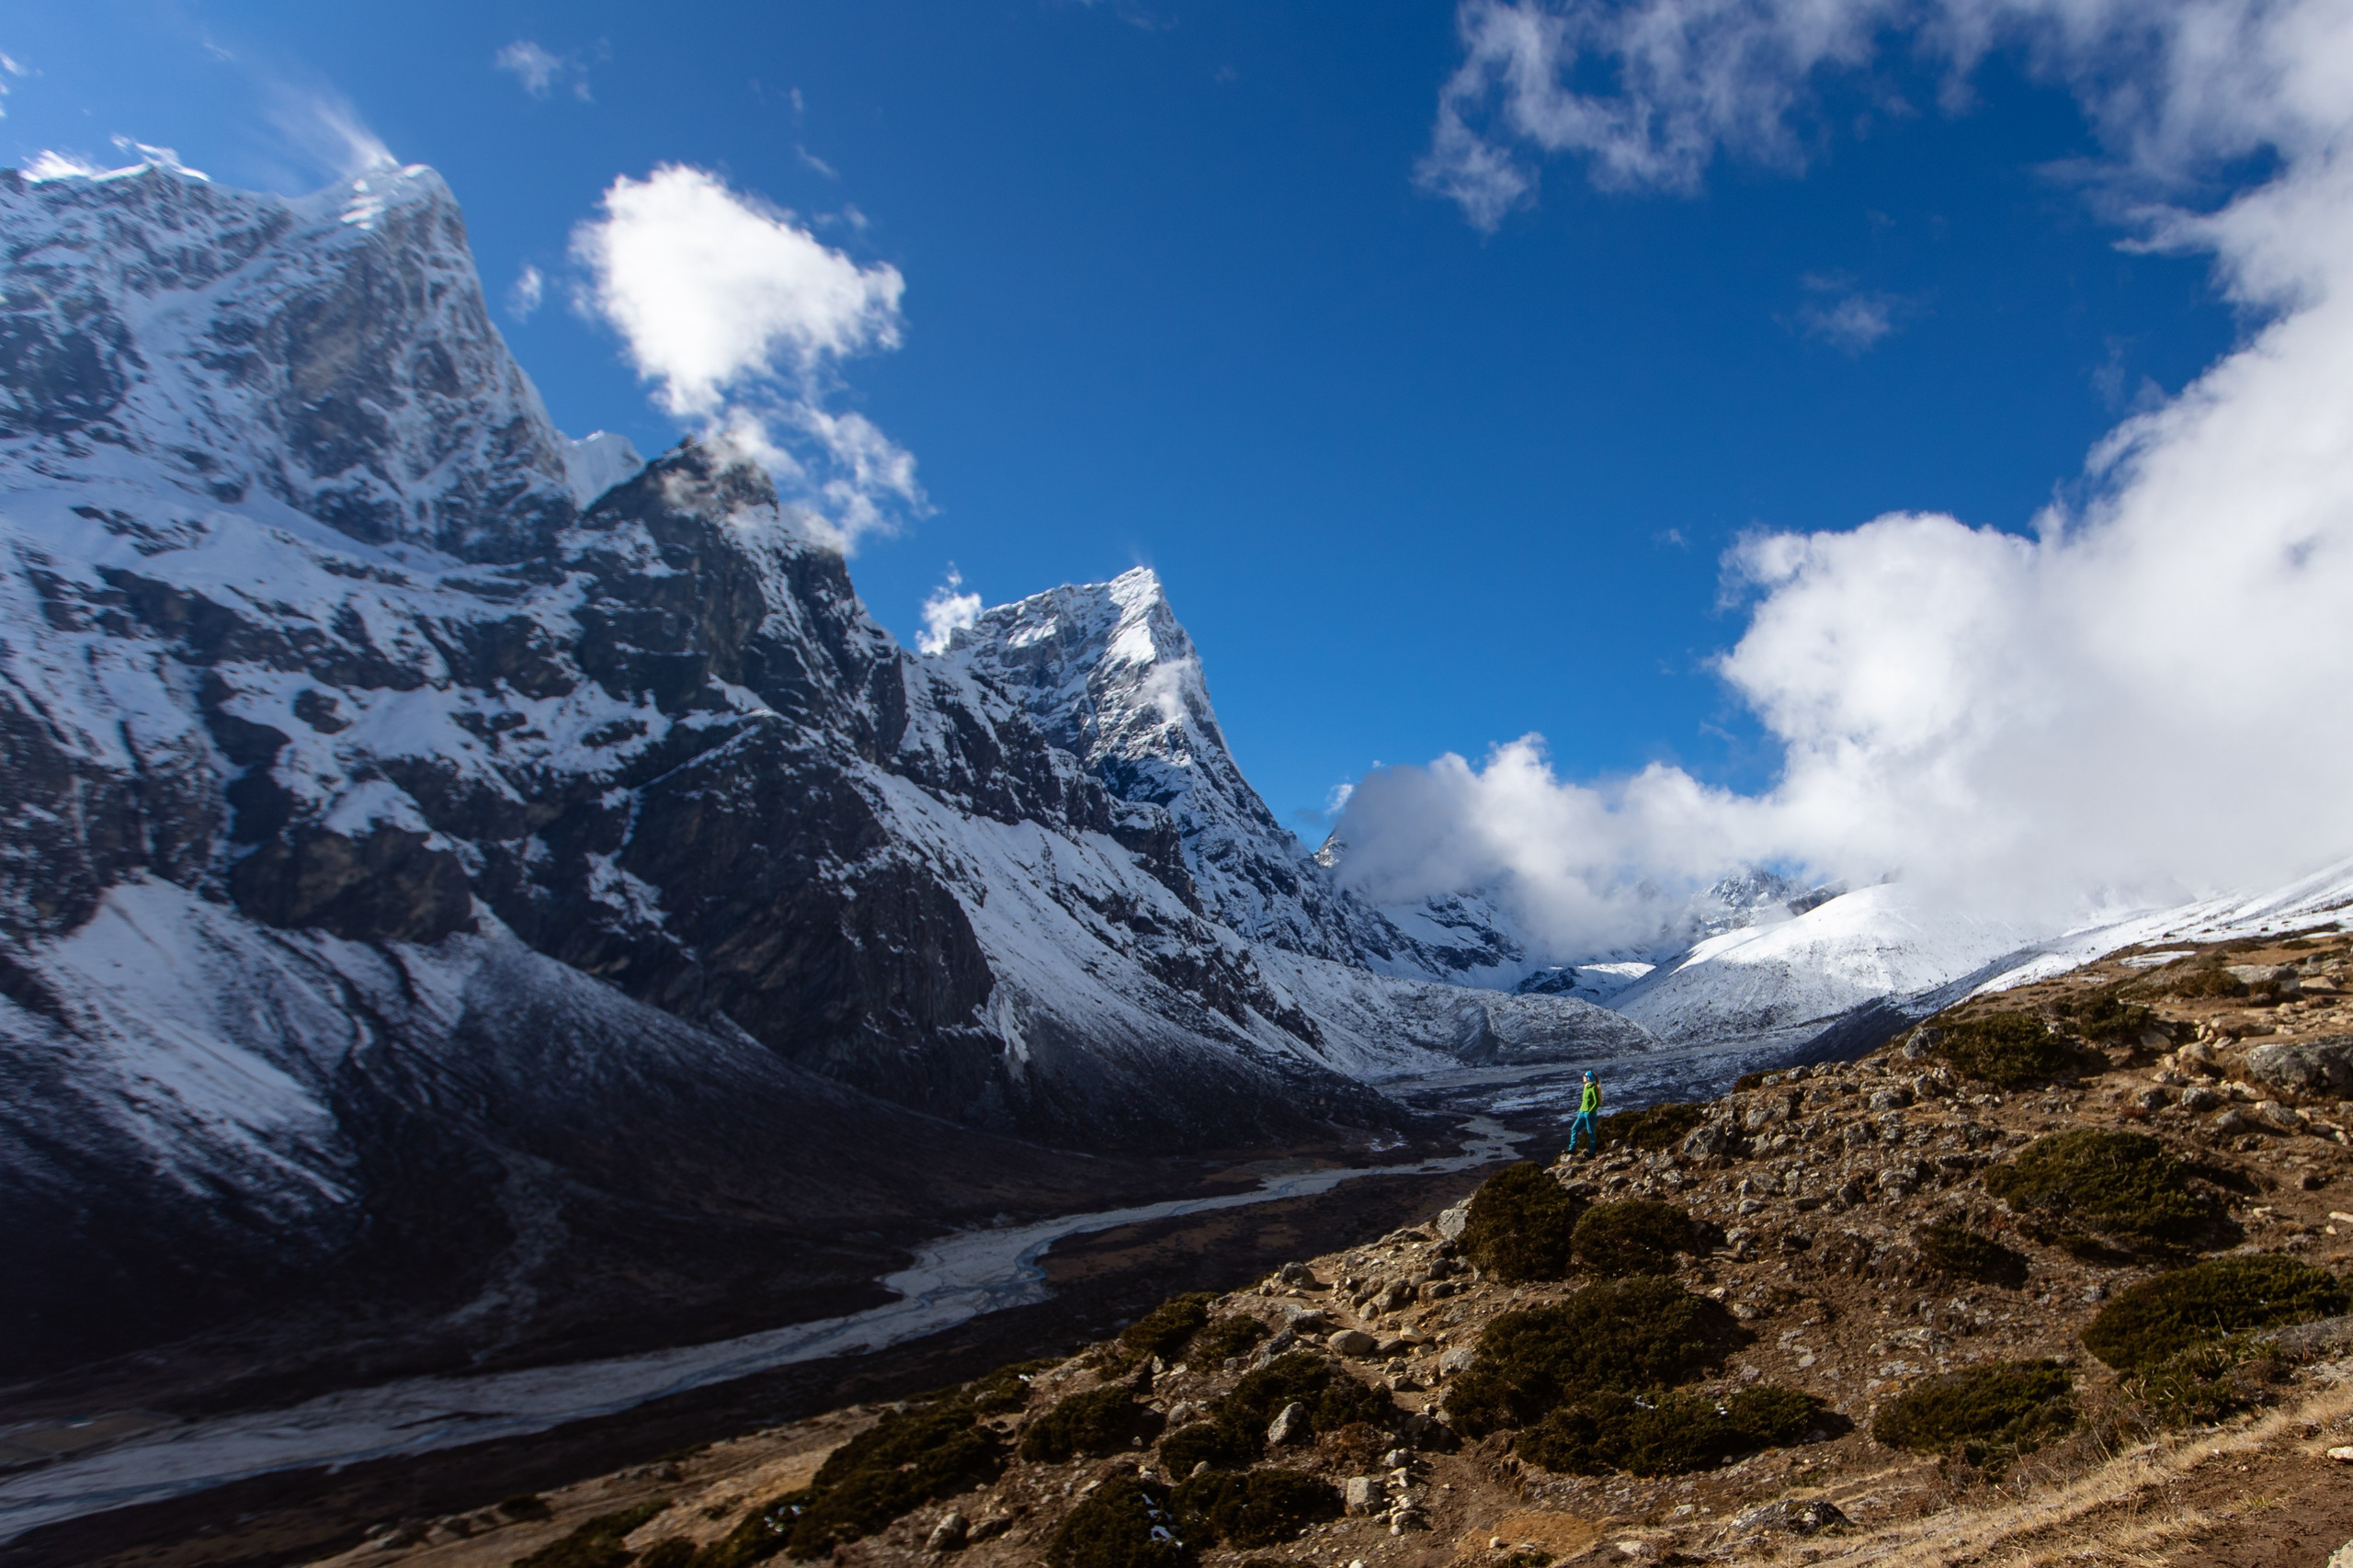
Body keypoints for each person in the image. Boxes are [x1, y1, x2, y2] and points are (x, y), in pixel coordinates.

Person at [1566, 1070, 1602, 1156]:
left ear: (1589, 1078)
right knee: (1574, 1129)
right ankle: (1572, 1148)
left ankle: (1591, 1152)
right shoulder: (1586, 1087)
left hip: (1590, 1113)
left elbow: (1597, 1102)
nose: (1583, 1077)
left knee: (1590, 1132)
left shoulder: (1593, 1088)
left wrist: (1590, 1111)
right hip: (1582, 1112)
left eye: (1585, 1076)